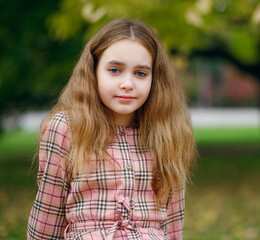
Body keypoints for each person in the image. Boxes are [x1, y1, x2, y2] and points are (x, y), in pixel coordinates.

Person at [27, 18, 197, 240]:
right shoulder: (66, 129)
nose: (127, 83)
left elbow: (174, 224)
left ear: (155, 79)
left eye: (140, 73)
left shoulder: (168, 133)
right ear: (93, 70)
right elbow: (47, 218)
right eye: (115, 70)